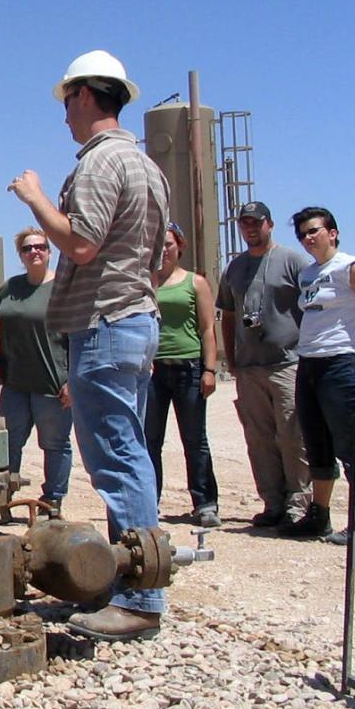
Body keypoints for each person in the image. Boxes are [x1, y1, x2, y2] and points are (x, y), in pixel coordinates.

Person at [8, 49, 170, 642]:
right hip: (132, 320)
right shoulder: (147, 166)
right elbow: (154, 259)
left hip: (105, 325)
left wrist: (35, 198)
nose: (64, 116)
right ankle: (129, 578)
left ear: (83, 96)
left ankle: (138, 598)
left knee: (116, 459)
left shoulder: (101, 164)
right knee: (128, 452)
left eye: (67, 102)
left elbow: (79, 245)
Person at [281, 207, 355, 544]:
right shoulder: (309, 274)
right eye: (303, 234)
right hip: (309, 364)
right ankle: (318, 518)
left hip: (339, 364)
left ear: (332, 232)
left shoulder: (350, 267)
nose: (308, 238)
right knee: (317, 444)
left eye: (314, 231)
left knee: (351, 447)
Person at [217, 200, 311, 527]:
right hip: (249, 367)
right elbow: (228, 316)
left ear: (269, 224)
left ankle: (298, 505)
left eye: (256, 222)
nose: (250, 229)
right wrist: (230, 357)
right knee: (258, 438)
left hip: (288, 363)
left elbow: (312, 309)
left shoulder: (293, 261)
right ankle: (272, 502)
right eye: (245, 223)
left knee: (292, 434)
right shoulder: (234, 269)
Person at [0, 226, 72, 516]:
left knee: (54, 444)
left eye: (40, 247)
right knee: (7, 442)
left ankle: (52, 501)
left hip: (53, 383)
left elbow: (80, 335)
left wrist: (74, 380)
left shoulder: (63, 287)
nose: (34, 252)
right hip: (16, 383)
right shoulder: (10, 288)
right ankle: (4, 500)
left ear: (49, 252)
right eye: (27, 248)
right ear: (20, 255)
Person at [143, 223, 221, 528]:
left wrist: (210, 369)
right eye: (157, 244)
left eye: (169, 244)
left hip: (188, 367)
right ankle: (150, 501)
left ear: (180, 247)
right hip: (152, 370)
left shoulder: (195, 283)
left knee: (195, 439)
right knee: (150, 440)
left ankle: (205, 503)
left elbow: (207, 329)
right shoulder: (145, 283)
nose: (163, 250)